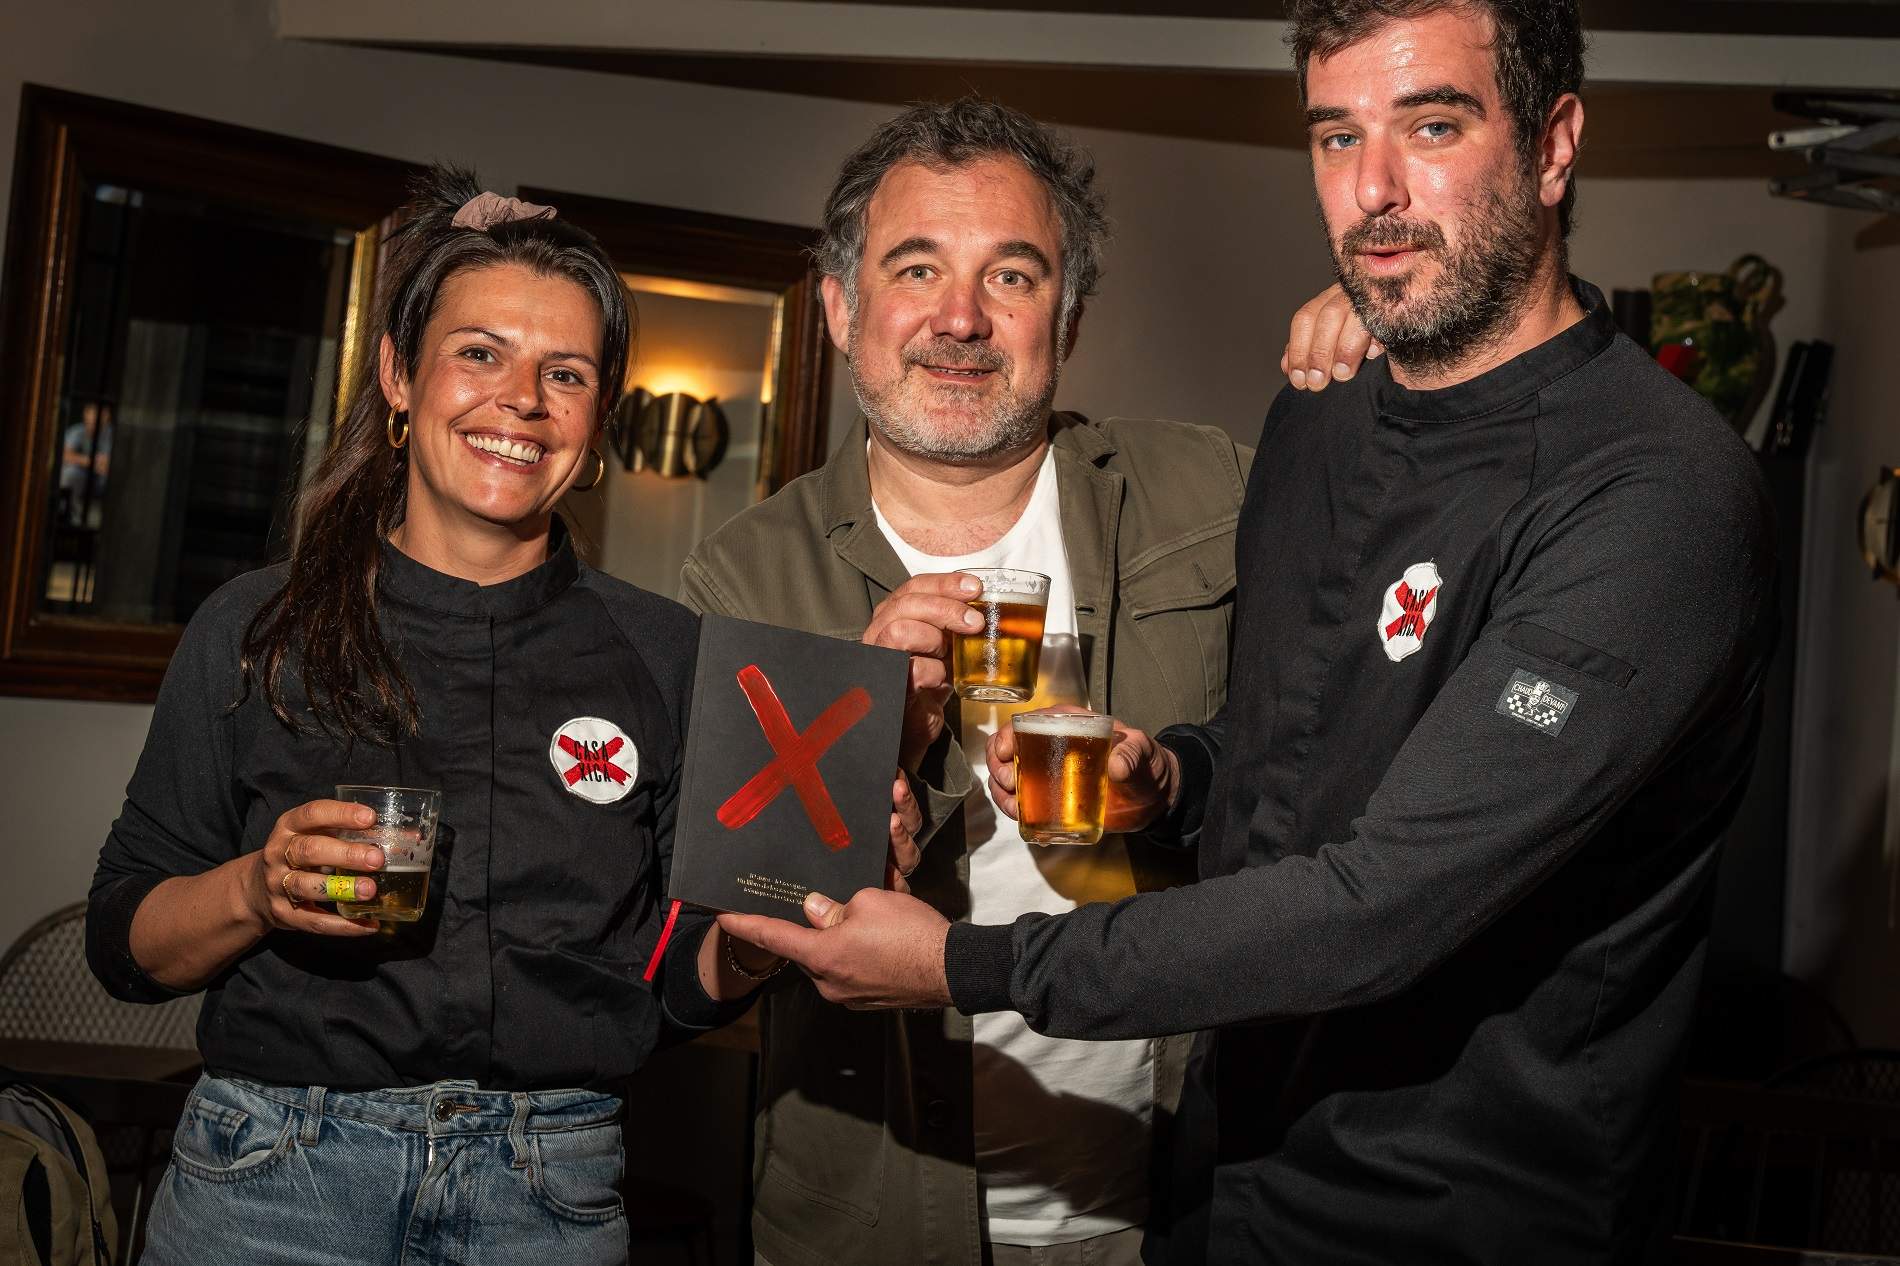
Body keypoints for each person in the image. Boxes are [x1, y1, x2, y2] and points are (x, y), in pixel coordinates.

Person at [721, 3, 1779, 1263]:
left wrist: (961, 963)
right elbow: (1288, 745)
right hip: (1223, 1189)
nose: (1374, 189)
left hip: (1461, 1219)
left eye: (1432, 124)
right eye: (1337, 137)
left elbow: (1376, 902)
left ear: (1554, 146)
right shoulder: (1318, 423)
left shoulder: (1657, 493)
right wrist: (1169, 777)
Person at [85, 167, 784, 1266]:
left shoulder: (668, 655)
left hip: (549, 1194)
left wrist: (748, 946)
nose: (521, 401)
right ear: (398, 378)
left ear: (600, 420)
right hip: (273, 1183)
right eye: (479, 354)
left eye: (565, 373)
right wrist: (257, 888)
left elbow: (680, 980)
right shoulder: (252, 626)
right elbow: (123, 945)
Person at [678, 98, 1255, 1266]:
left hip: (1180, 1209)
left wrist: (1168, 786)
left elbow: (1332, 775)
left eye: (1012, 276)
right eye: (916, 269)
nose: (960, 319)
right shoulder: (743, 574)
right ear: (841, 308)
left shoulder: (1215, 496)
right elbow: (701, 959)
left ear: (1070, 316)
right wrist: (858, 742)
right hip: (870, 1219)